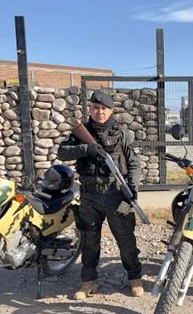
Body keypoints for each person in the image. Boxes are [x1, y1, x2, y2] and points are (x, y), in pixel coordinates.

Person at [57, 90, 143, 300]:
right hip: (89, 196)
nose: (99, 112)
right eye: (95, 108)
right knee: (89, 240)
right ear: (90, 109)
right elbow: (62, 152)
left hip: (116, 193)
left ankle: (135, 278)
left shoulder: (122, 133)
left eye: (104, 108)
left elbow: (134, 163)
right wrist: (86, 149)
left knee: (125, 240)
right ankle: (88, 282)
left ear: (111, 110)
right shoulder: (81, 131)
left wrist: (132, 188)